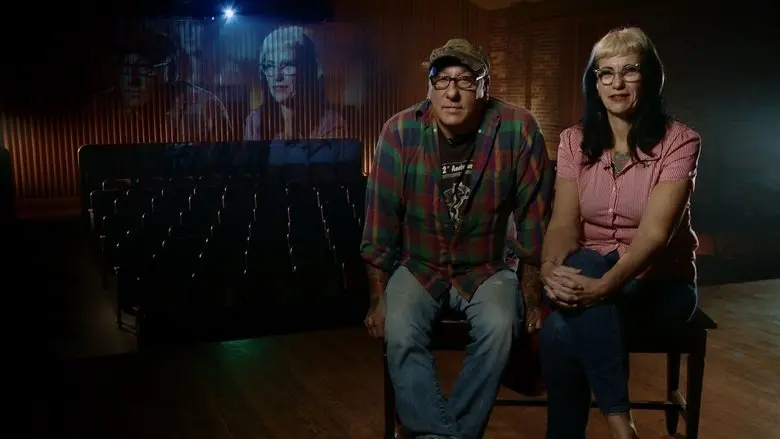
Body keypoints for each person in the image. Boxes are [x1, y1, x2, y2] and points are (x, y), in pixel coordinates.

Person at [361, 38, 554, 439]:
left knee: (501, 327)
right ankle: (440, 433)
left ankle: (440, 434)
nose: (451, 92)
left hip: (487, 266)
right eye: (442, 79)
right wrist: (378, 298)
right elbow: (380, 224)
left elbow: (534, 220)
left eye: (465, 80)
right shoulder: (399, 131)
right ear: (430, 85)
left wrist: (532, 295)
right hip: (419, 265)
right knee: (400, 331)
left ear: (485, 87)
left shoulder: (518, 128)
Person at [538, 27, 702, 439]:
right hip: (593, 270)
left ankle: (613, 423)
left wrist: (603, 287)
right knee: (586, 264)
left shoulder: (680, 142)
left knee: (560, 330)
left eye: (630, 71)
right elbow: (563, 223)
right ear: (594, 83)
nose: (617, 83)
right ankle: (622, 427)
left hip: (659, 283)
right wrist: (548, 268)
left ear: (650, 78)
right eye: (606, 73)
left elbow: (654, 236)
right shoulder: (574, 141)